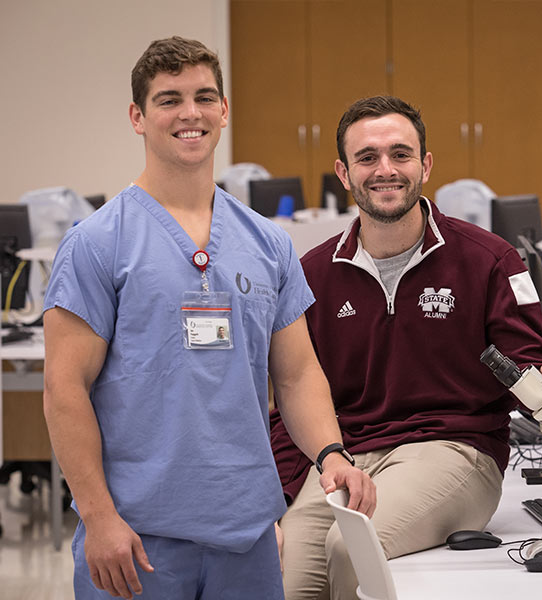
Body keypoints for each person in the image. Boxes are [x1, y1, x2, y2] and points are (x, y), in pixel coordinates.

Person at [42, 36, 374, 600]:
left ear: (224, 111)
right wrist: (99, 519)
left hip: (246, 538)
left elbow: (295, 375)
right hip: (136, 541)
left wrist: (331, 453)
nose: (189, 113)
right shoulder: (98, 243)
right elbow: (64, 388)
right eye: (169, 99)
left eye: (203, 97)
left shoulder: (267, 243)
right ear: (137, 117)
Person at [269, 95, 542, 600]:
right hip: (346, 456)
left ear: (425, 164)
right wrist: (282, 497)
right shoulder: (312, 273)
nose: (386, 170)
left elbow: (529, 370)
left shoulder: (491, 260)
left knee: (350, 548)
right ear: (343, 172)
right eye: (367, 158)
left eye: (400, 154)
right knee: (283, 579)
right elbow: (290, 395)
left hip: (453, 450)